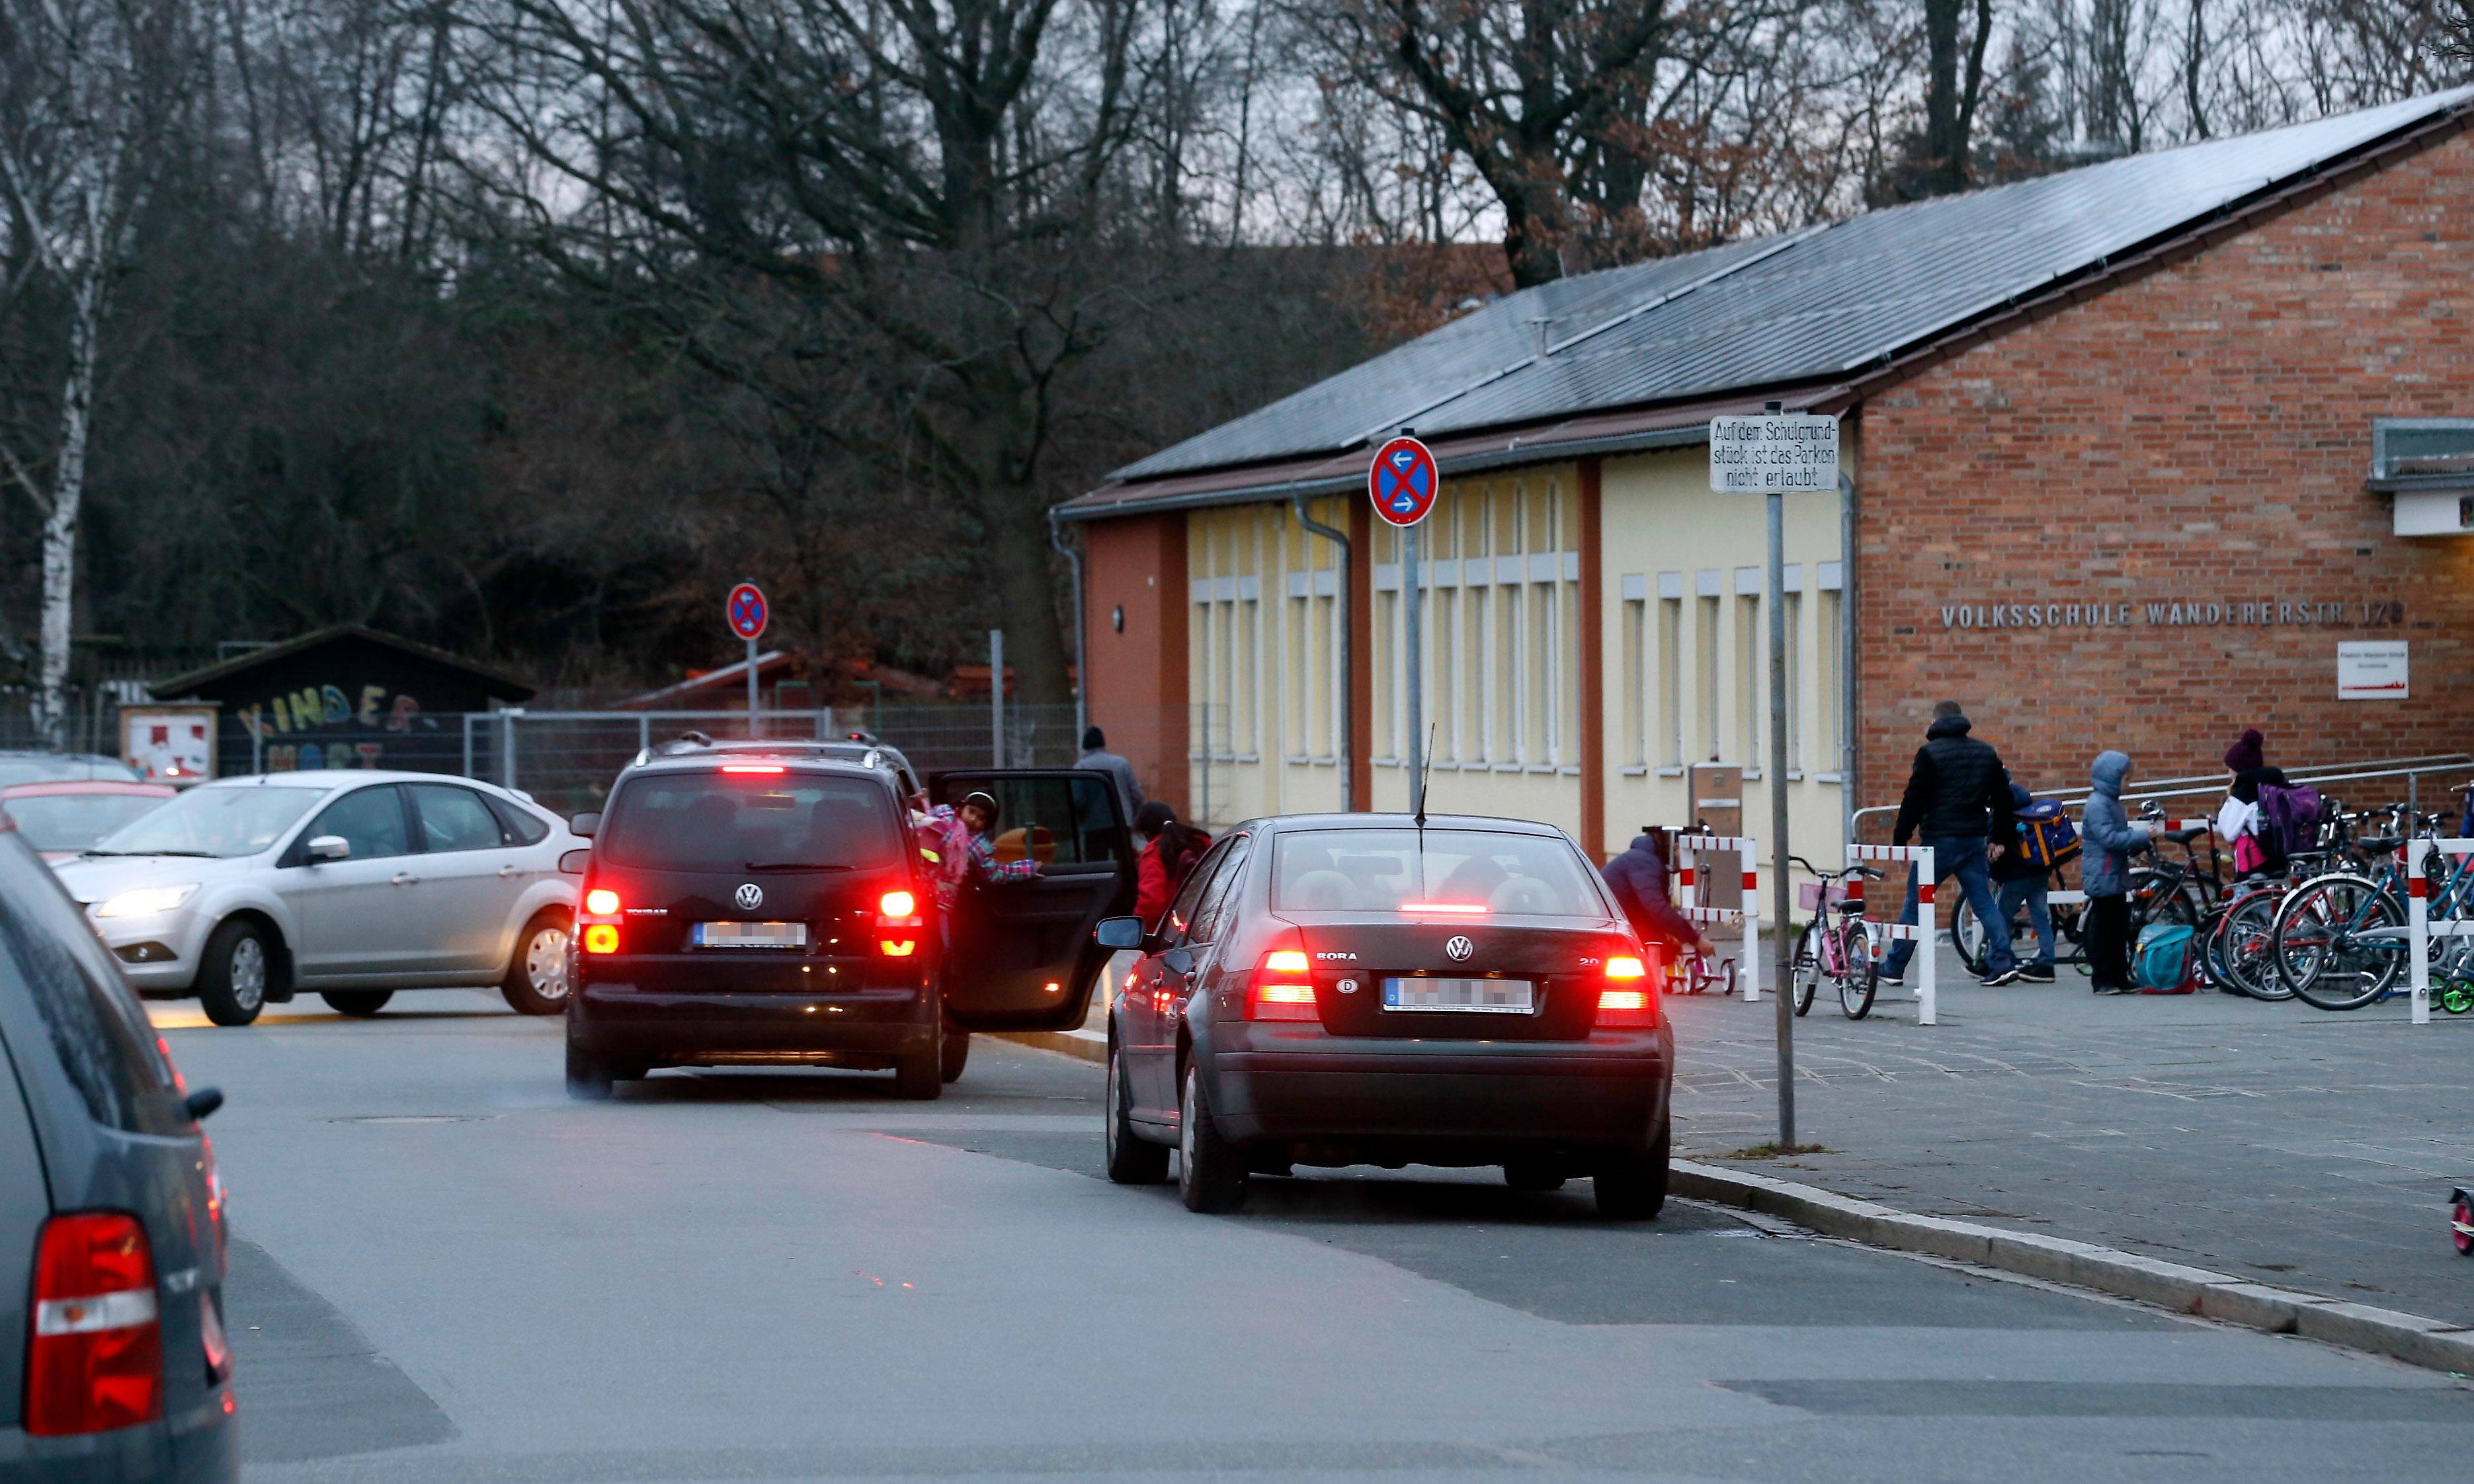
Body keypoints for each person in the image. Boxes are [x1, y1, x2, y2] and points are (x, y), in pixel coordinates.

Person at [1883, 701, 2018, 988]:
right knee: (1983, 902)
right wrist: (2000, 838)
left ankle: (1894, 967)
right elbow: (2004, 798)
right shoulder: (1985, 752)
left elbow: (1914, 798)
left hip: (1937, 843)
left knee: (1915, 903)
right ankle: (2004, 962)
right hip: (1972, 841)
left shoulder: (1929, 754)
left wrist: (1900, 838)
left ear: (1935, 721)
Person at [2081, 750, 2158, 995]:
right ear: (2112, 779)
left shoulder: (2109, 803)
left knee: (2118, 928)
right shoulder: (2098, 805)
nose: (2128, 784)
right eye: (2126, 779)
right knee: (2105, 930)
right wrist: (2142, 836)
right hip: (2103, 874)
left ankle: (2118, 975)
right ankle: (2103, 978)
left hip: (2111, 873)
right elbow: (2109, 838)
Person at [1601, 831, 1715, 969]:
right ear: (1677, 848)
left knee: (1667, 947)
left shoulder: (1643, 859)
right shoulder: (1645, 863)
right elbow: (1657, 908)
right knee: (1663, 950)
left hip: (1615, 920)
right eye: (1687, 858)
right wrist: (1696, 940)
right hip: (1613, 927)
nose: (1685, 866)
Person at [1990, 782, 2056, 984]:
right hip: (2039, 873)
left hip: (2016, 876)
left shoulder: (2001, 818)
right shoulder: (2033, 815)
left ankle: (1998, 960)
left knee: (2001, 918)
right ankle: (2047, 964)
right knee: (2041, 918)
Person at [1132, 800, 1211, 929]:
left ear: (1147, 833)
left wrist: (1135, 929)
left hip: (1174, 932)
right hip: (1205, 925)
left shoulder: (1155, 853)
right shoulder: (1199, 844)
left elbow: (1152, 903)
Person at [1077, 726, 1143, 821]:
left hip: (1094, 824)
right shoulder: (1121, 763)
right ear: (1103, 743)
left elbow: (1078, 800)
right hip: (1122, 821)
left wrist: (1082, 820)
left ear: (1084, 745)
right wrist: (1132, 817)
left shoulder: (1082, 766)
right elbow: (1138, 795)